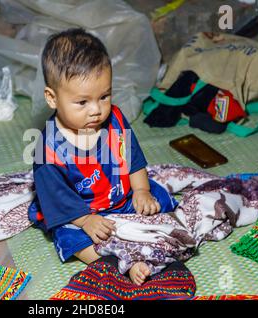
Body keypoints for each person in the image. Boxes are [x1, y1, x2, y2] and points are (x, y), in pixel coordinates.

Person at [28, 28, 178, 285]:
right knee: (69, 238)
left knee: (161, 197)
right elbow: (58, 201)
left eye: (104, 96)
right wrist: (86, 220)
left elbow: (133, 160)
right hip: (79, 213)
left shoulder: (115, 120)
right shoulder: (49, 152)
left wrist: (141, 190)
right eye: (82, 102)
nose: (96, 110)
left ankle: (158, 241)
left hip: (122, 199)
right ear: (52, 98)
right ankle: (119, 262)